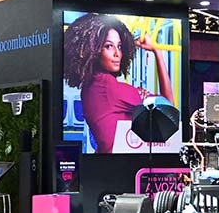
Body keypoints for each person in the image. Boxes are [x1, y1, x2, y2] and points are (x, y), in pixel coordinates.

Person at [63, 13, 175, 153]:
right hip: (122, 163)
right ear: (93, 50)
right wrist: (157, 51)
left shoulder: (90, 86)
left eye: (120, 46)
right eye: (109, 46)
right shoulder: (108, 86)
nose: (117, 53)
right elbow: (169, 107)